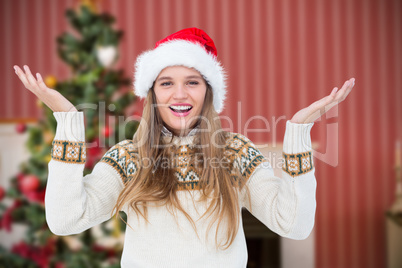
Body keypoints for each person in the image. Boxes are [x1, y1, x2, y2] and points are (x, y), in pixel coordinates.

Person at [13, 27, 355, 268]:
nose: (179, 94)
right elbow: (65, 219)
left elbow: (293, 225)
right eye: (166, 83)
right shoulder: (129, 157)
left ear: (208, 92)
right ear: (153, 94)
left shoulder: (234, 152)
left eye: (192, 82)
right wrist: (68, 121)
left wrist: (298, 132)